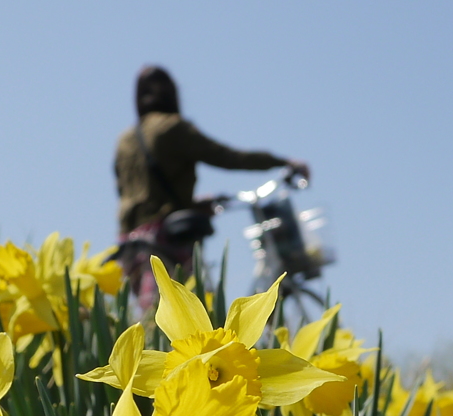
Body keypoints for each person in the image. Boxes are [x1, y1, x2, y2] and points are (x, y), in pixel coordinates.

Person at [112, 66, 309, 311]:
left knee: (152, 314)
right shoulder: (173, 128)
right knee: (189, 313)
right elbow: (228, 157)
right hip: (166, 239)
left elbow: (131, 193)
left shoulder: (125, 141)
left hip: (129, 243)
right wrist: (282, 162)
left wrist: (191, 204)